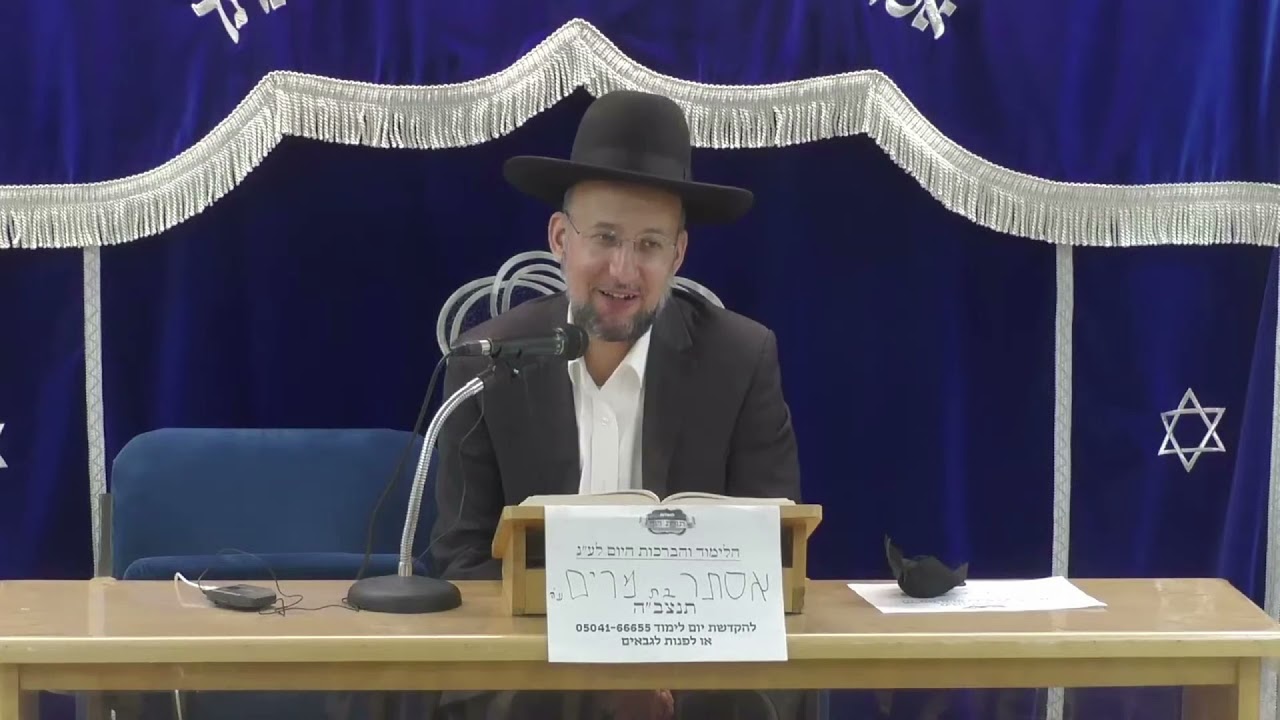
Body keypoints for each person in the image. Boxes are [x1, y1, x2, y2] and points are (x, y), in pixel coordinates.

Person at [430, 90, 807, 720]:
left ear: (677, 255)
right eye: (604, 237)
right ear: (561, 239)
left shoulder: (741, 359)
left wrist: (664, 679)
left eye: (650, 245)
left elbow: (771, 549)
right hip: (535, 666)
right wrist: (595, 681)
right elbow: (462, 563)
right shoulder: (487, 363)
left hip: (700, 666)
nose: (623, 270)